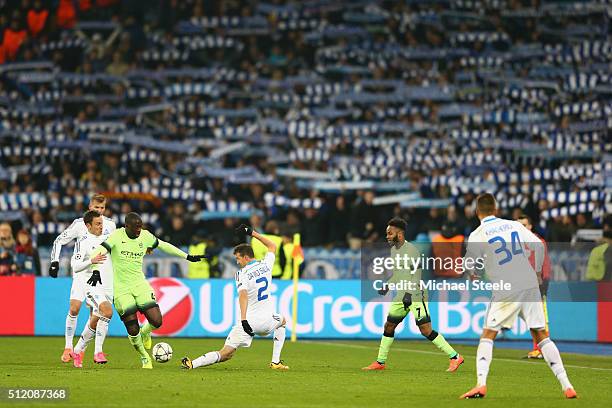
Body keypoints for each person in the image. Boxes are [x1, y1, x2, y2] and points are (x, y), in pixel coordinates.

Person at [460, 193, 577, 399]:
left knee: (488, 334)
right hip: (529, 281)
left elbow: (470, 264)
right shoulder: (513, 225)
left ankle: (480, 384)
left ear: (477, 212)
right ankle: (567, 386)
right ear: (495, 210)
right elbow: (539, 246)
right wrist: (538, 270)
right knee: (541, 334)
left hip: (507, 286)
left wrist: (473, 273)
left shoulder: (478, 234)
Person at [88, 212, 207, 368]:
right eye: (136, 227)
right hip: (121, 288)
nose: (139, 230)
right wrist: (95, 270)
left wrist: (187, 256)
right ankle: (144, 357)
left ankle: (146, 332)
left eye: (140, 226)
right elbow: (97, 252)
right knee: (132, 327)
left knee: (157, 321)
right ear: (126, 226)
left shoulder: (145, 236)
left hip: (140, 284)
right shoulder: (116, 236)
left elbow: (164, 245)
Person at [181, 224, 289, 371]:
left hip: (248, 323)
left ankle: (193, 363)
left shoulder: (241, 274)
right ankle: (275, 362)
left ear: (246, 257)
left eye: (238, 258)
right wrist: (252, 233)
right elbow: (272, 245)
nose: (238, 262)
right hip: (267, 322)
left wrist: (243, 319)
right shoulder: (266, 265)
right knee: (282, 321)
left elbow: (243, 295)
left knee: (225, 353)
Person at [362, 217, 464, 372]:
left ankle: (455, 357)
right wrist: (388, 285)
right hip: (400, 295)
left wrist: (409, 294)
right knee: (389, 326)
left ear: (400, 234)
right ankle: (380, 362)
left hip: (415, 294)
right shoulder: (394, 250)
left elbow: (416, 274)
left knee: (426, 330)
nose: (387, 236)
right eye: (387, 233)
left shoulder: (412, 251)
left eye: (390, 233)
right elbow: (398, 274)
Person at [49, 194, 116, 363]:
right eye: (96, 208)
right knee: (74, 307)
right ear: (89, 207)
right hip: (82, 273)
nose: (99, 211)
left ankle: (82, 349)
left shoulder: (111, 225)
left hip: (101, 274)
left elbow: (115, 249)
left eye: (102, 208)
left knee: (97, 314)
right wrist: (54, 261)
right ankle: (68, 347)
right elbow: (59, 241)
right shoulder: (80, 224)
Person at [68, 210, 113, 367]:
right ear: (88, 225)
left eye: (102, 223)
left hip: (108, 285)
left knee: (95, 320)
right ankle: (98, 352)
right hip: (92, 285)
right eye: (98, 224)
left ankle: (78, 349)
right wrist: (91, 261)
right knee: (107, 312)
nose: (101, 226)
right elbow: (75, 265)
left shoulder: (108, 238)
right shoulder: (83, 242)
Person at [516, 214, 551, 359]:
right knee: (530, 317)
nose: (521, 229)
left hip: (537, 284)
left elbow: (545, 264)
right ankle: (537, 348)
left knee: (541, 318)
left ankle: (543, 350)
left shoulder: (538, 241)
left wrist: (543, 281)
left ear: (530, 226)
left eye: (523, 225)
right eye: (518, 225)